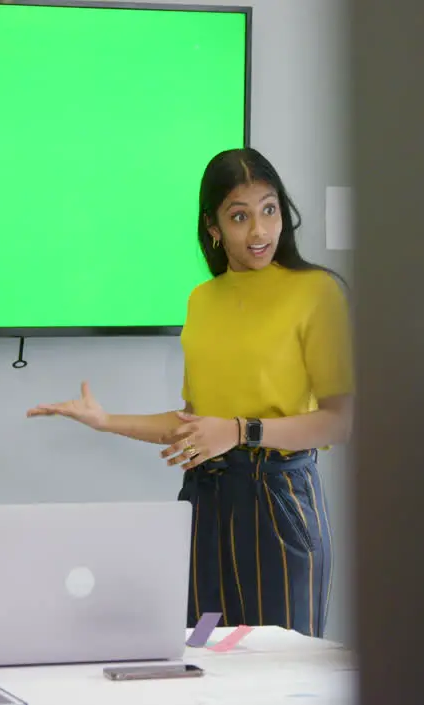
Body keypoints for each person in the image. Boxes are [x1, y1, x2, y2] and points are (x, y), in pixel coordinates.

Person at [28, 148, 353, 638]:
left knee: (281, 673)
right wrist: (106, 420)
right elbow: (195, 424)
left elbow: (338, 421)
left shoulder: (316, 292)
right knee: (202, 652)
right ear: (214, 227)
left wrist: (242, 430)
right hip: (205, 503)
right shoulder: (203, 301)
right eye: (240, 216)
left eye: (269, 210)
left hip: (280, 504)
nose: (260, 231)